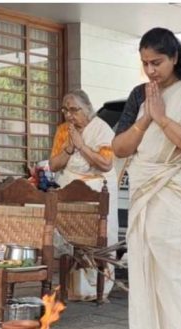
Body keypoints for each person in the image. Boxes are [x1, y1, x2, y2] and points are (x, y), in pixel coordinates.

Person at [111, 27, 181, 329]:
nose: (151, 70)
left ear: (175, 58)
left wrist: (164, 119)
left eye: (157, 62)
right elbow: (120, 148)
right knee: (151, 268)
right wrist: (146, 120)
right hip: (147, 193)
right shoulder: (140, 95)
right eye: (145, 63)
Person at [48, 90, 119, 301]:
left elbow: (106, 164)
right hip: (70, 188)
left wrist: (81, 146)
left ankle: (98, 288)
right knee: (70, 237)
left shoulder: (101, 129)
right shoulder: (63, 131)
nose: (68, 115)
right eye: (65, 110)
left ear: (87, 109)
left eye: (73, 110)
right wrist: (69, 149)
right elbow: (53, 165)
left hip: (98, 189)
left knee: (97, 237)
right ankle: (74, 289)